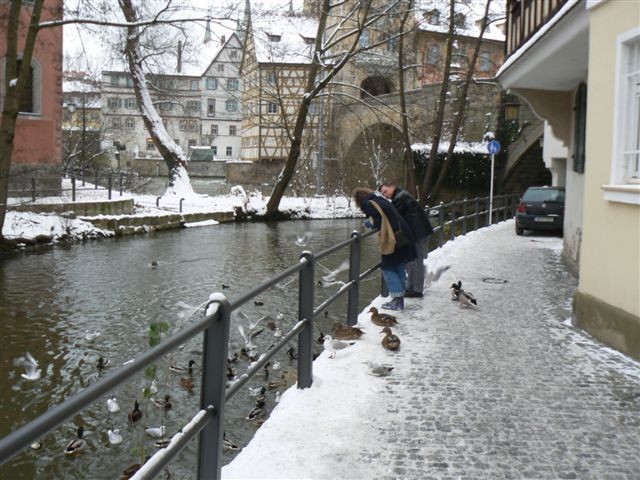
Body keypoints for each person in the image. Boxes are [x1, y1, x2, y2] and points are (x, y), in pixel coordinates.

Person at [353, 187, 416, 311]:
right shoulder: (379, 200)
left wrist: (370, 224)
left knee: (387, 268)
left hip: (394, 239)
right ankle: (399, 299)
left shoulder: (369, 204)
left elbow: (379, 220)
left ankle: (397, 300)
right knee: (398, 266)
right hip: (403, 234)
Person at [379, 183, 433, 298]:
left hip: (418, 233)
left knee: (417, 261)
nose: (385, 195)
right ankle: (412, 287)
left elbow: (393, 216)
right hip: (419, 231)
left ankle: (417, 290)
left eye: (385, 191)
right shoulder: (400, 195)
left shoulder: (399, 198)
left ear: (392, 187)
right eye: (383, 194)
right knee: (414, 260)